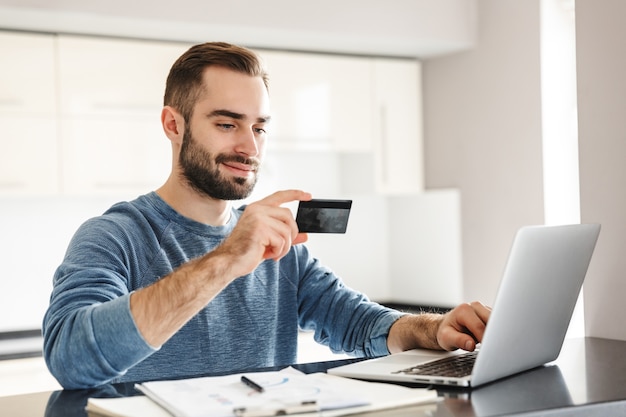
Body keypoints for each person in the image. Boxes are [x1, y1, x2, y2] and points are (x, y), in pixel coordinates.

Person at [43, 41, 491, 390]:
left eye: (259, 127)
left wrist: (435, 330)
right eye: (227, 124)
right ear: (173, 125)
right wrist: (225, 260)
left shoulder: (275, 244)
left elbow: (356, 323)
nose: (250, 147)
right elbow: (71, 360)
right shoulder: (114, 236)